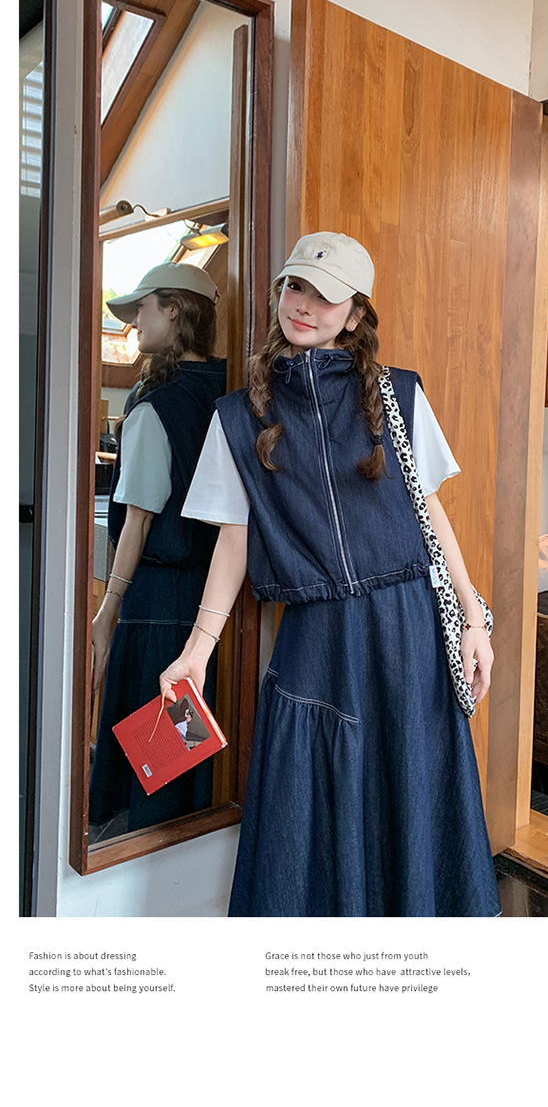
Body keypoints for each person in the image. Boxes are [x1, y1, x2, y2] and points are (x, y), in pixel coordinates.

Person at [162, 233, 501, 916]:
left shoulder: (399, 395)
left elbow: (430, 512)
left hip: (406, 630)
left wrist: (473, 620)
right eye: (295, 286)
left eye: (325, 295)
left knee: (409, 797)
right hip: (315, 636)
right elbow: (235, 536)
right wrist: (198, 650)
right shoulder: (237, 416)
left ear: (354, 313)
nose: (304, 304)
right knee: (306, 812)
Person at [89, 263, 227, 832]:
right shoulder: (231, 394)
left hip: (156, 604)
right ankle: (187, 840)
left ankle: (147, 844)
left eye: (142, 309)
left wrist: (107, 611)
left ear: (174, 309)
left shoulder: (155, 408)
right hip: (213, 598)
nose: (135, 323)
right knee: (189, 751)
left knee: (152, 755)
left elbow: (138, 523)